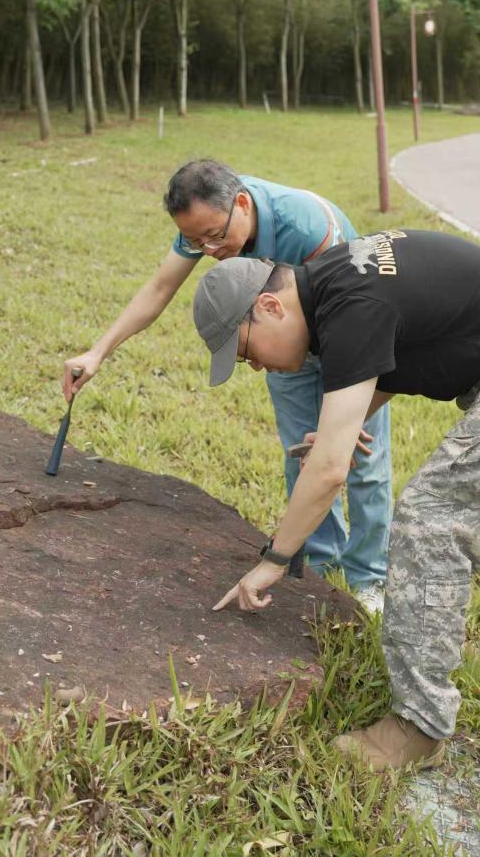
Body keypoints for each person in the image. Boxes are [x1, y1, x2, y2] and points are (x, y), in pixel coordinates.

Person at [192, 228, 480, 772]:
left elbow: (327, 474)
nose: (255, 367)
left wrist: (275, 559)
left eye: (246, 351)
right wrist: (340, 429)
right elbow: (397, 350)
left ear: (270, 306)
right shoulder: (335, 284)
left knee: (431, 521)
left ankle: (419, 726)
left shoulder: (349, 306)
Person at [63, 159, 393, 612]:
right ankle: (321, 563)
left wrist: (350, 415)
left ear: (241, 203)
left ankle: (368, 578)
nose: (209, 250)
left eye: (216, 237)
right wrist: (98, 351)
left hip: (351, 333)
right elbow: (160, 287)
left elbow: (353, 306)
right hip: (279, 339)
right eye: (196, 242)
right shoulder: (207, 220)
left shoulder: (308, 227)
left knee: (360, 455)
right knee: (303, 452)